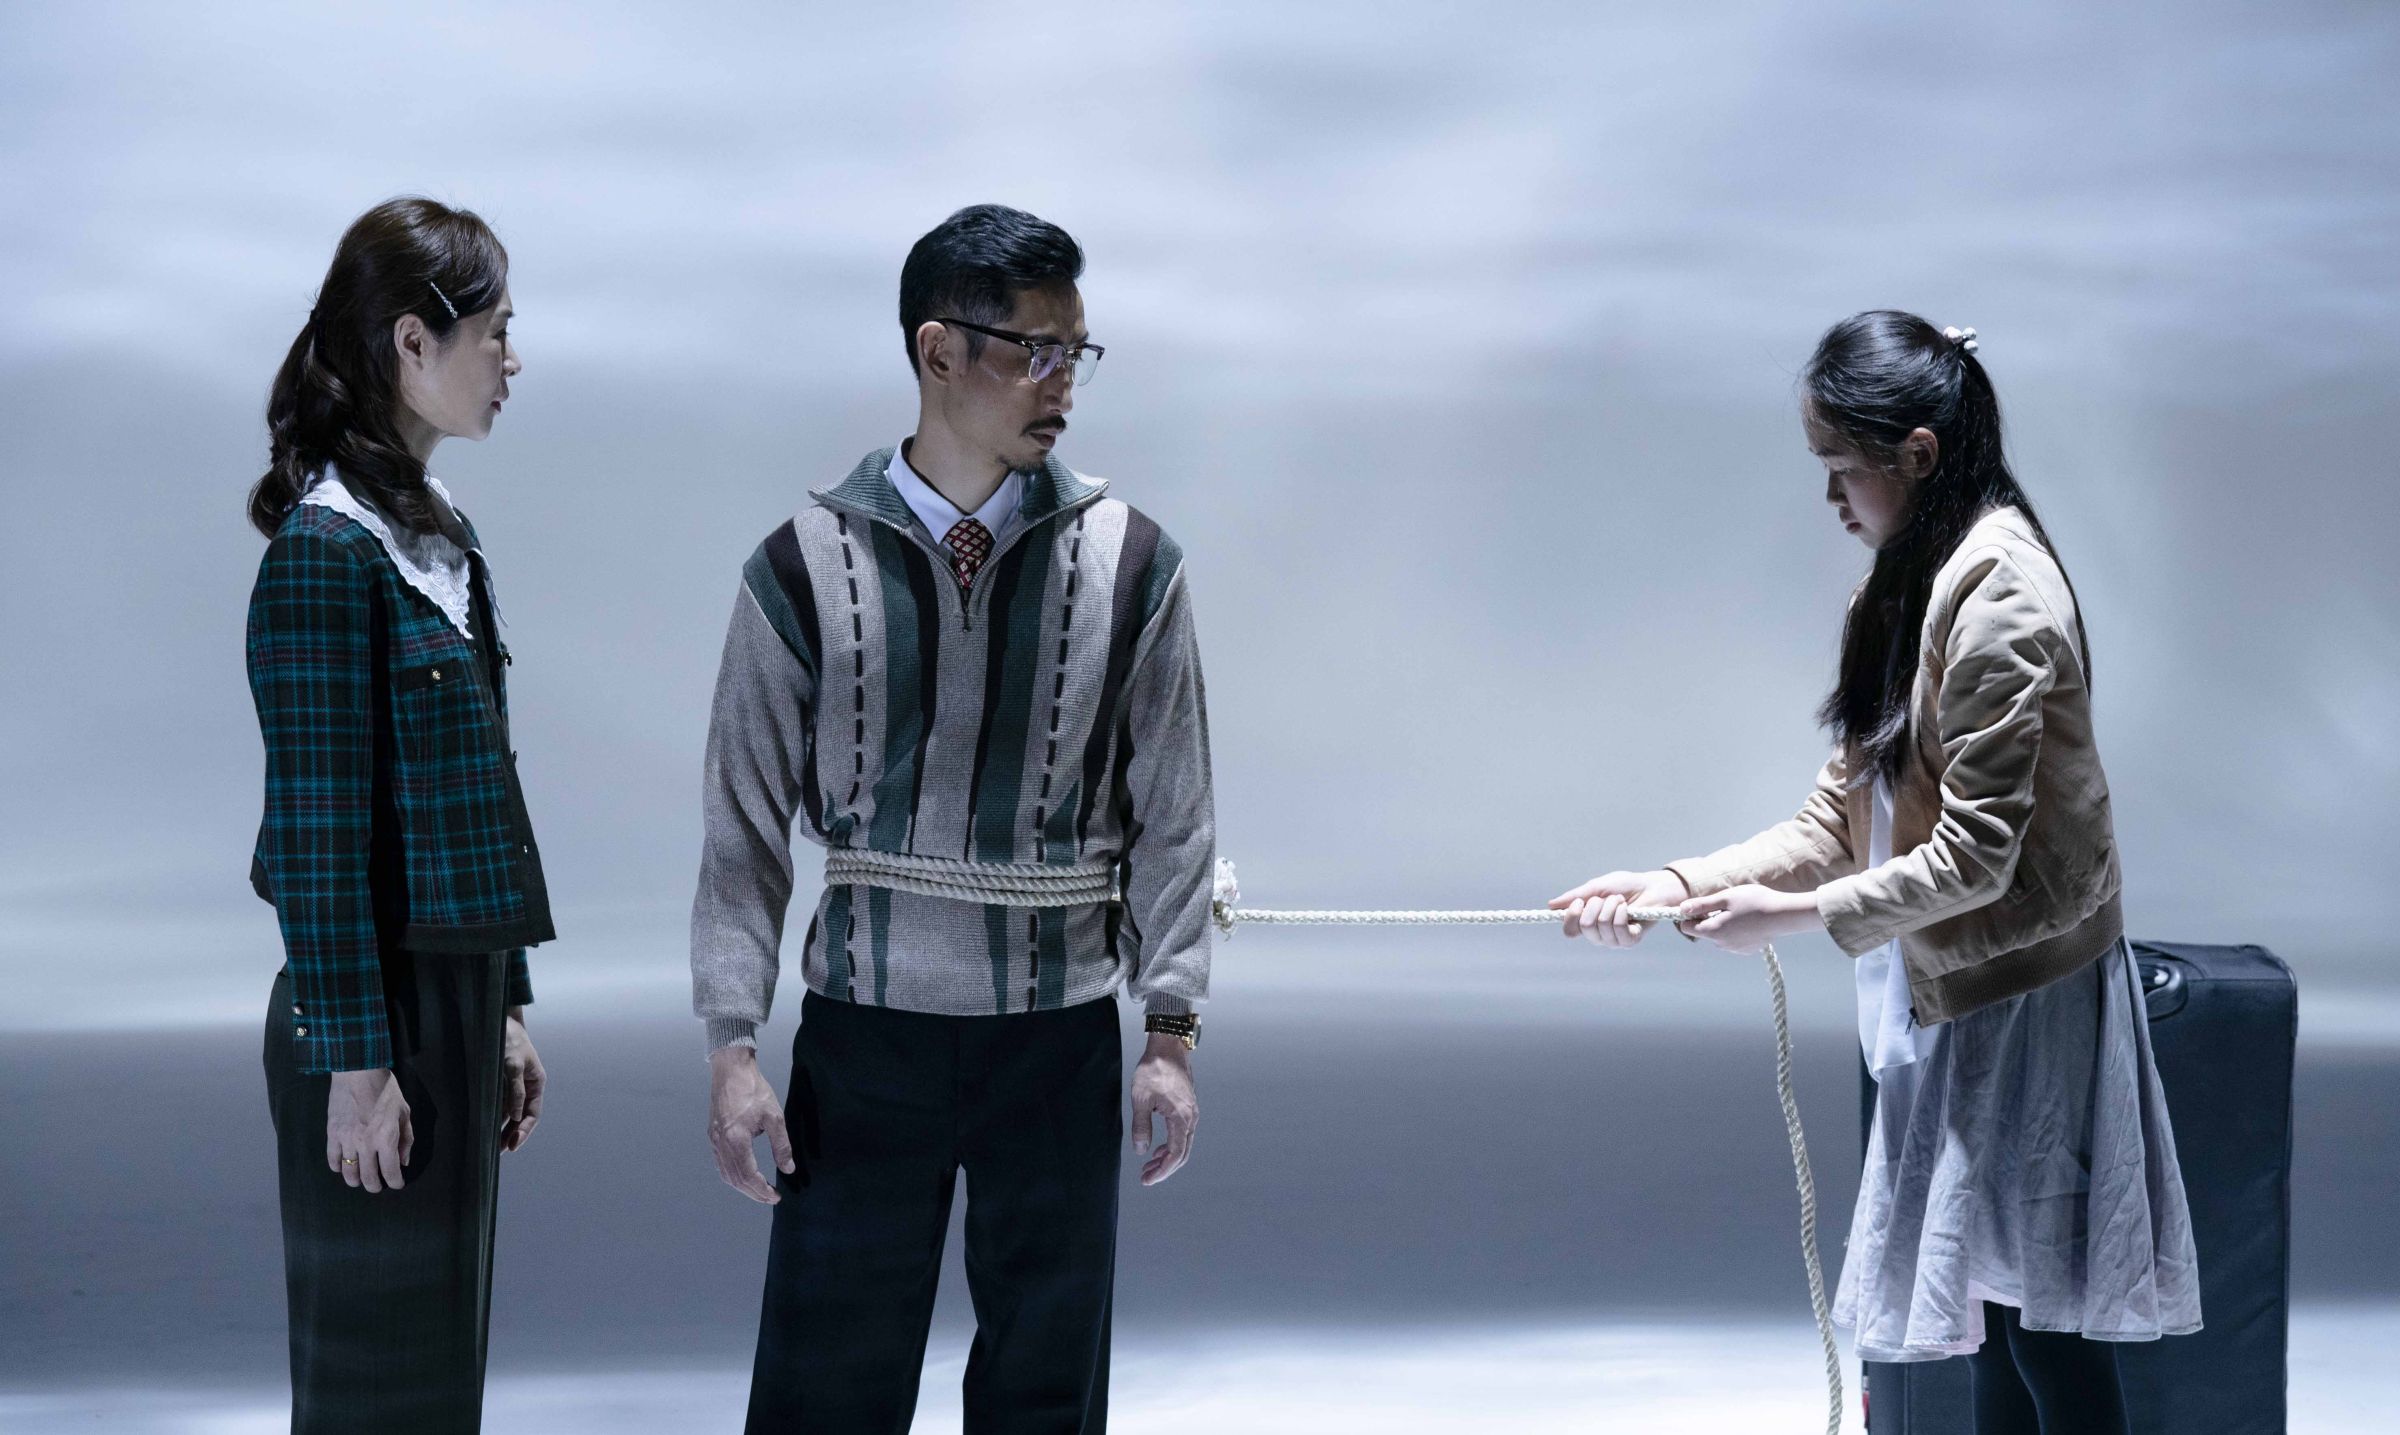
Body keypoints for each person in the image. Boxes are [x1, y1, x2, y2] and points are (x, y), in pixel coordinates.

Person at [1552, 311, 2200, 1434]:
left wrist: (1789, 915)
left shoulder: (2002, 595)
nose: (1829, 496)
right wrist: (1674, 880)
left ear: (1918, 454)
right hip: (1961, 989)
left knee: (2044, 1330)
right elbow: (1843, 813)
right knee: (1999, 1318)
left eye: (1841, 466)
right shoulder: (1905, 584)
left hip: (2029, 997)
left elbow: (1978, 854)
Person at [690, 202, 1215, 1433]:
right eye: (1035, 350)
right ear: (939, 351)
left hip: (1060, 1033)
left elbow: (1177, 814)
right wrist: (731, 1045)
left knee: (1047, 1384)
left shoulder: (1136, 563)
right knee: (827, 1380)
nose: (1063, 382)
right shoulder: (800, 564)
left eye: (1076, 351)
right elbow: (741, 828)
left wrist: (1172, 1032)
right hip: (863, 1036)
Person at [244, 196, 553, 1433]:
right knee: (375, 1381)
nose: (513, 360)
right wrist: (357, 1066)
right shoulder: (327, 552)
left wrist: (508, 1002)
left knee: (438, 1371)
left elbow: (482, 785)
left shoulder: (441, 535)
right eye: (496, 331)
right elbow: (318, 836)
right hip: (373, 1013)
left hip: (454, 996)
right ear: (412, 343)